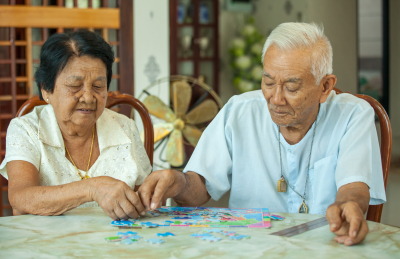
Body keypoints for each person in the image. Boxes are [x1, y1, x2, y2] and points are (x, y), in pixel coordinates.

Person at [138, 23, 386, 246]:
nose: (276, 99)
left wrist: (347, 207)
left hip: (325, 245)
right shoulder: (240, 111)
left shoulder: (354, 115)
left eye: (291, 87)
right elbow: (200, 185)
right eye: (268, 82)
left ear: (325, 86)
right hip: (249, 247)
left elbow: (354, 187)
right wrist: (177, 181)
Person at [0, 30, 151, 220]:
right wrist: (91, 188)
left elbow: (145, 202)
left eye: (98, 86)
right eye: (74, 85)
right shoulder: (26, 129)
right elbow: (20, 199)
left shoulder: (125, 127)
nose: (88, 97)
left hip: (115, 246)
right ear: (46, 88)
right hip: (49, 245)